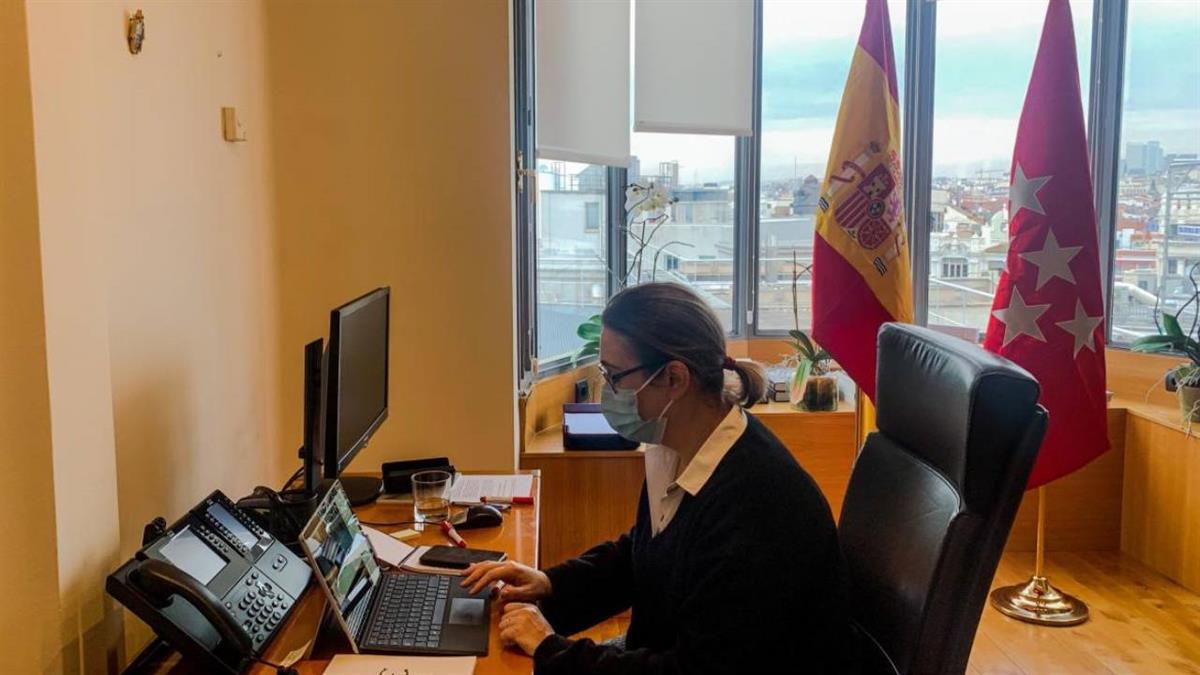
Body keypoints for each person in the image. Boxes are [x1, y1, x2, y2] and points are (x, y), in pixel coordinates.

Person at [462, 282, 857, 674]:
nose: (607, 390)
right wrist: (549, 584)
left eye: (615, 375)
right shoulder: (677, 448)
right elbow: (646, 556)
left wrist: (552, 649)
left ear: (674, 379)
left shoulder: (758, 507)